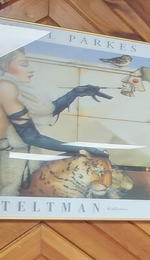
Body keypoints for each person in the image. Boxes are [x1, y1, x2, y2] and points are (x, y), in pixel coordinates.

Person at [0, 49, 112, 196]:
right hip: (7, 160)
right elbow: (30, 137)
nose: (31, 69)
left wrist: (74, 93)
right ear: (4, 65)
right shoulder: (5, 87)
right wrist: (81, 148)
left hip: (19, 157)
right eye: (24, 64)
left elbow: (40, 114)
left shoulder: (16, 88)